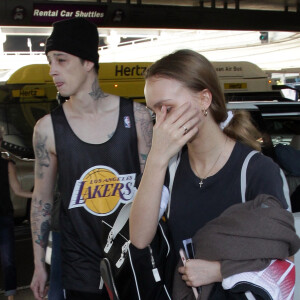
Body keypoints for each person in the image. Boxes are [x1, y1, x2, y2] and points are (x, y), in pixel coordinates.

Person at [129, 49, 294, 298]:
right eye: (155, 111)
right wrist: (156, 157)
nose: (160, 122)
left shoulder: (256, 170)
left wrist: (220, 271)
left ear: (204, 99)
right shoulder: (170, 168)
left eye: (168, 108)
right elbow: (139, 239)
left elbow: (285, 265)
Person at [30, 18, 153, 300]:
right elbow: (42, 201)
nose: (52, 71)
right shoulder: (47, 129)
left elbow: (155, 190)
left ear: (88, 62)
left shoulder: (137, 117)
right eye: (50, 62)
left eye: (61, 60)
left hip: (131, 260)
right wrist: (38, 263)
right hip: (79, 268)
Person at [0, 126, 33, 300]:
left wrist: (38, 195)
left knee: (8, 260)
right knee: (8, 260)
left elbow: (18, 190)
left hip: (5, 217)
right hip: (5, 217)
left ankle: (11, 295)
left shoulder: (7, 164)